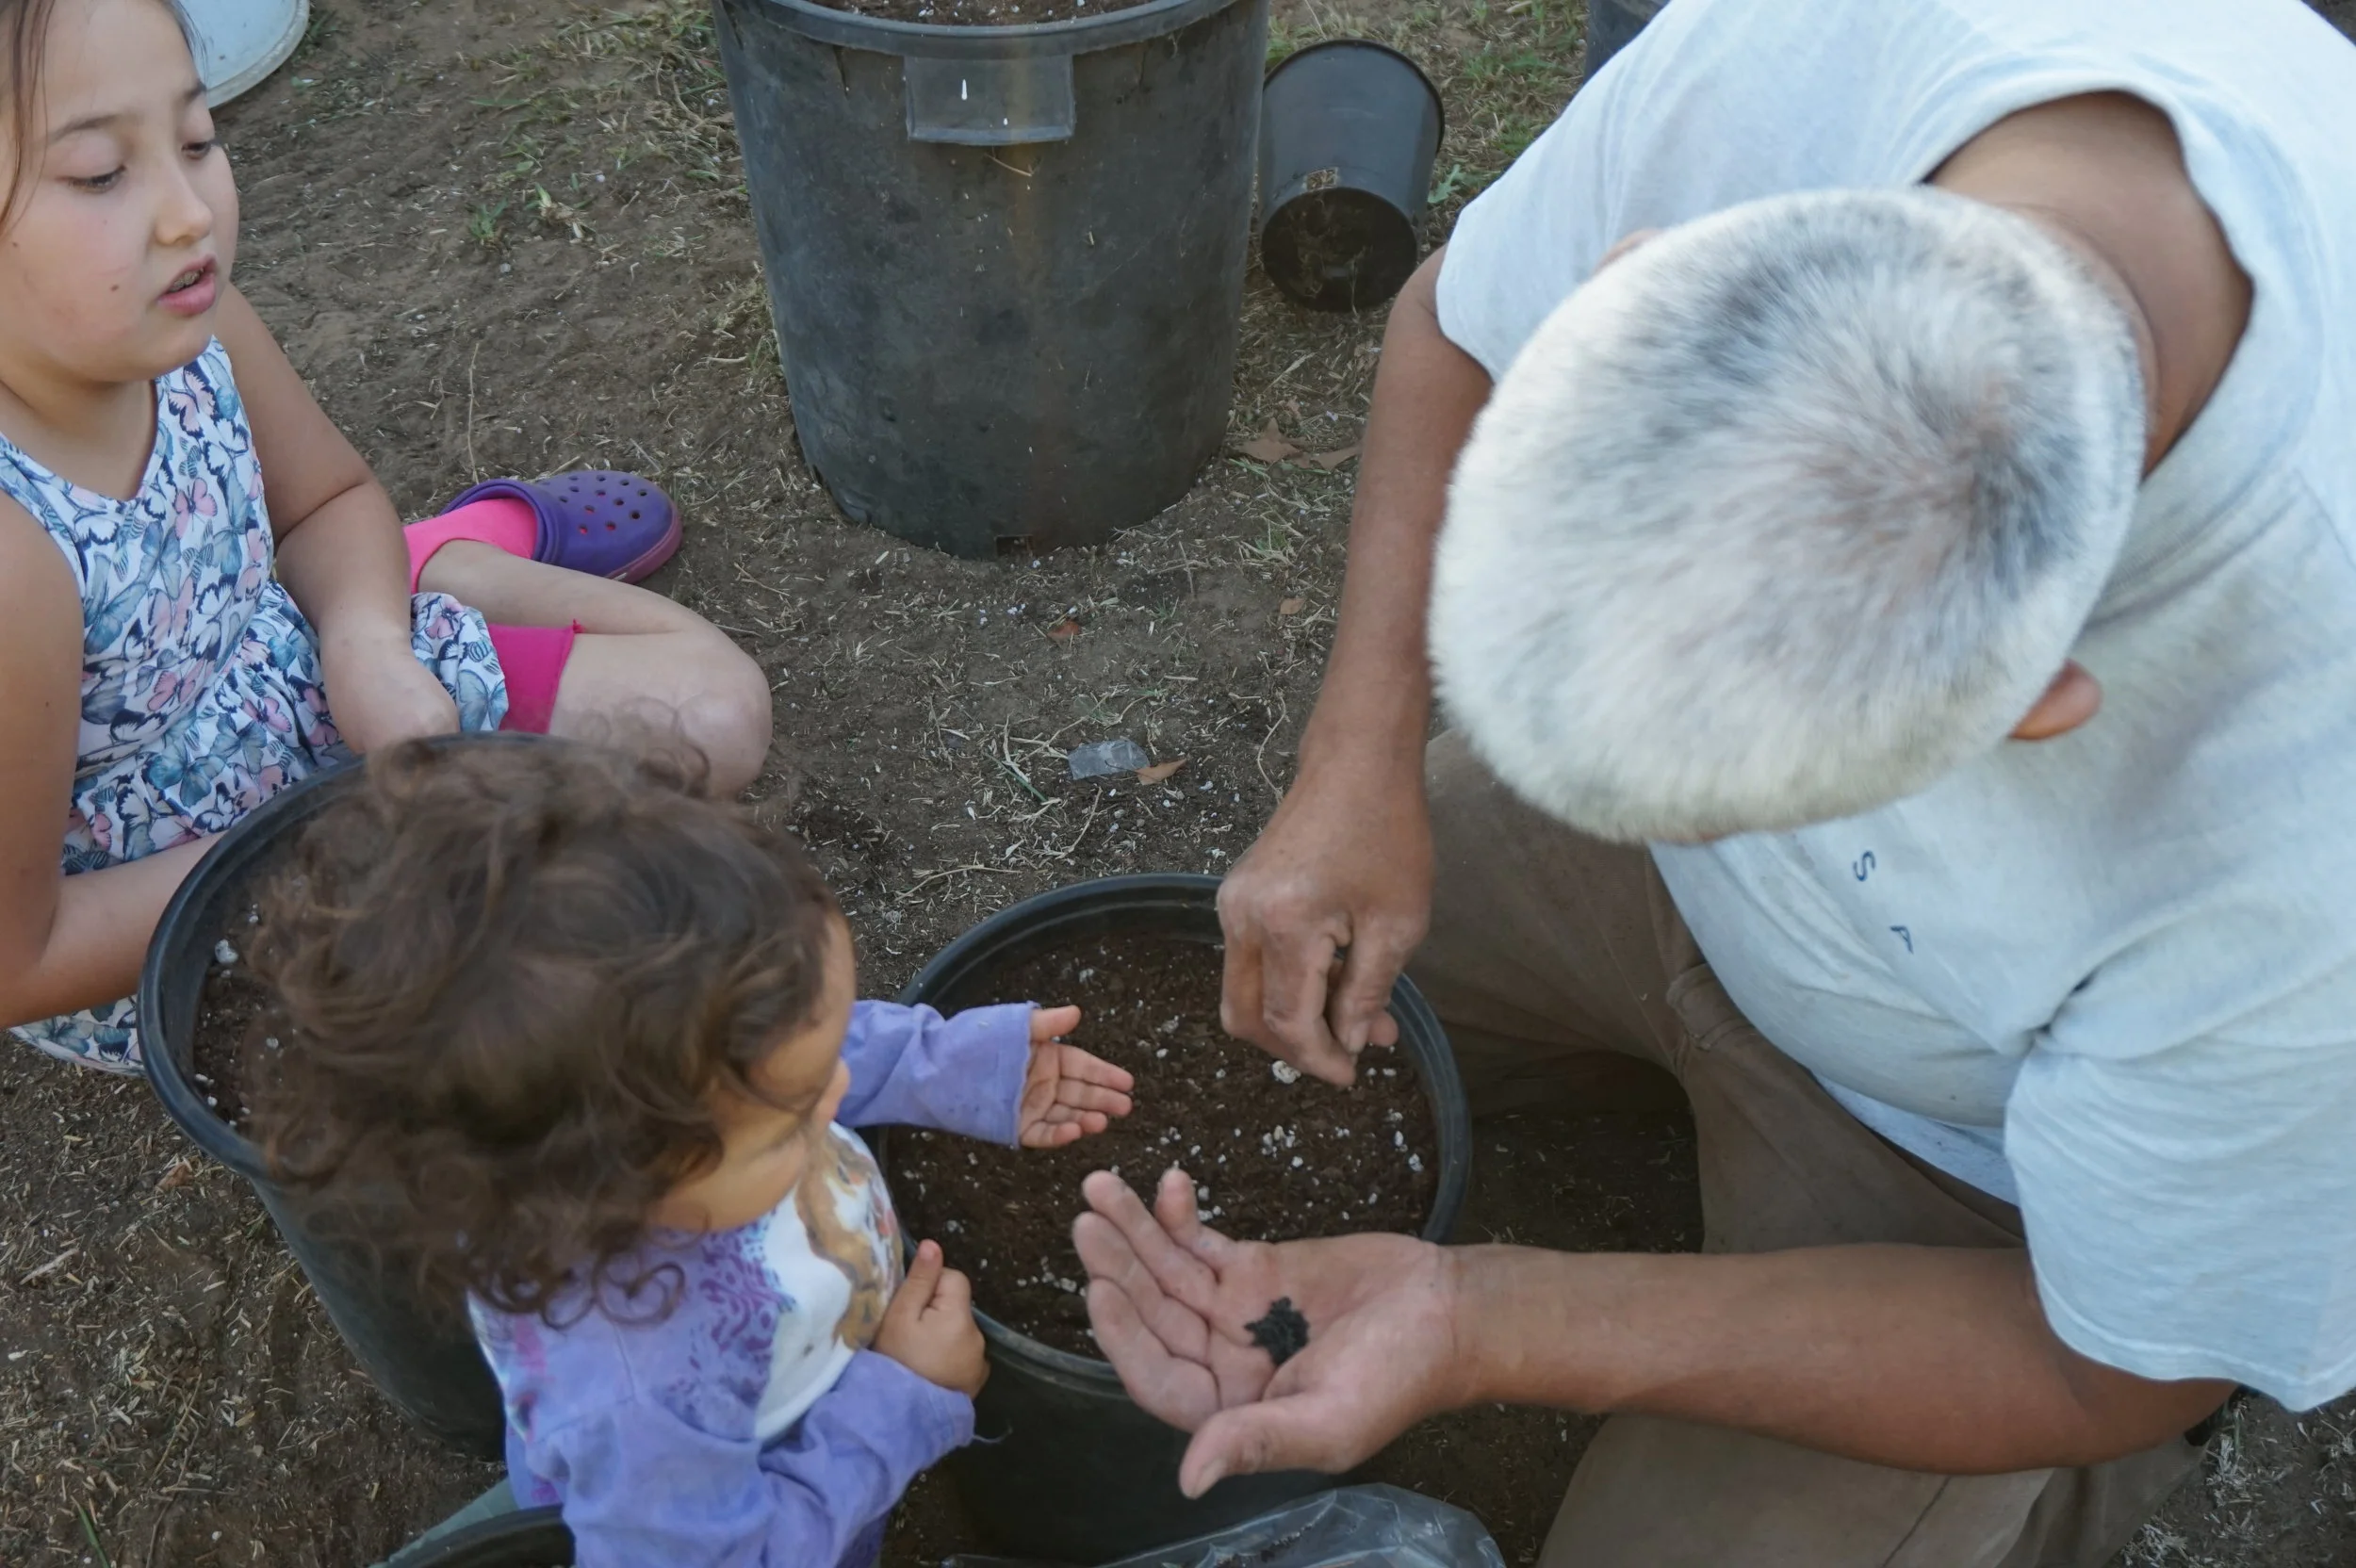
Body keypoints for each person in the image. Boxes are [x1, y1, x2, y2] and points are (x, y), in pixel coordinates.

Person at [1077, 0, 2356, 1563]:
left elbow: (2117, 1364)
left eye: (1752, 804)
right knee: (1173, 1002)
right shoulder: (1814, 50)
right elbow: (1459, 321)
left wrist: (1484, 1313)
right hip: (1764, 945)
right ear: (1647, 278)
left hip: (1965, 1170)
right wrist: (1358, 768)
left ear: (2041, 702)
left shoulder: (2304, 824)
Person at [0, 0, 773, 1072]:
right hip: (197, 888)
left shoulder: (194, 320)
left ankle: (439, 563)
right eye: (99, 173)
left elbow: (323, 502)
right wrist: (335, 847)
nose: (189, 213)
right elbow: (20, 954)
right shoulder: (13, 559)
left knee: (718, 715)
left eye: (196, 140)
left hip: (309, 688)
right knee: (508, 1030)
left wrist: (366, 642)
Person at [241, 738, 1136, 1568]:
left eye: (817, 1062)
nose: (831, 1099)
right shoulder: (642, 1395)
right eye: (793, 1121)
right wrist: (896, 1403)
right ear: (616, 1177)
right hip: (793, 1471)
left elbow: (806, 1054)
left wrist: (953, 1071)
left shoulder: (688, 1090)